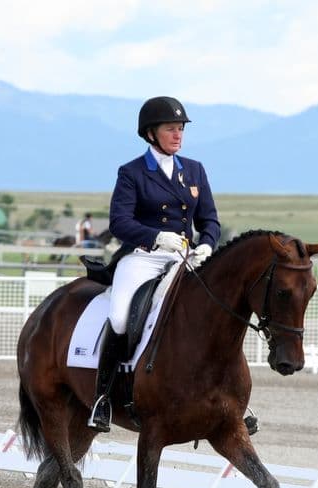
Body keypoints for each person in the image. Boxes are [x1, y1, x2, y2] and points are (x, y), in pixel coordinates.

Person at [88, 96, 221, 431]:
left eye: (181, 129)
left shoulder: (194, 170)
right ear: (151, 133)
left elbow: (209, 220)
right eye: (170, 129)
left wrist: (207, 244)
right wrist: (156, 236)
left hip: (184, 256)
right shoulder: (132, 172)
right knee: (120, 317)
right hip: (143, 257)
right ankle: (103, 398)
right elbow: (119, 222)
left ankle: (227, 394)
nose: (178, 135)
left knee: (213, 311)